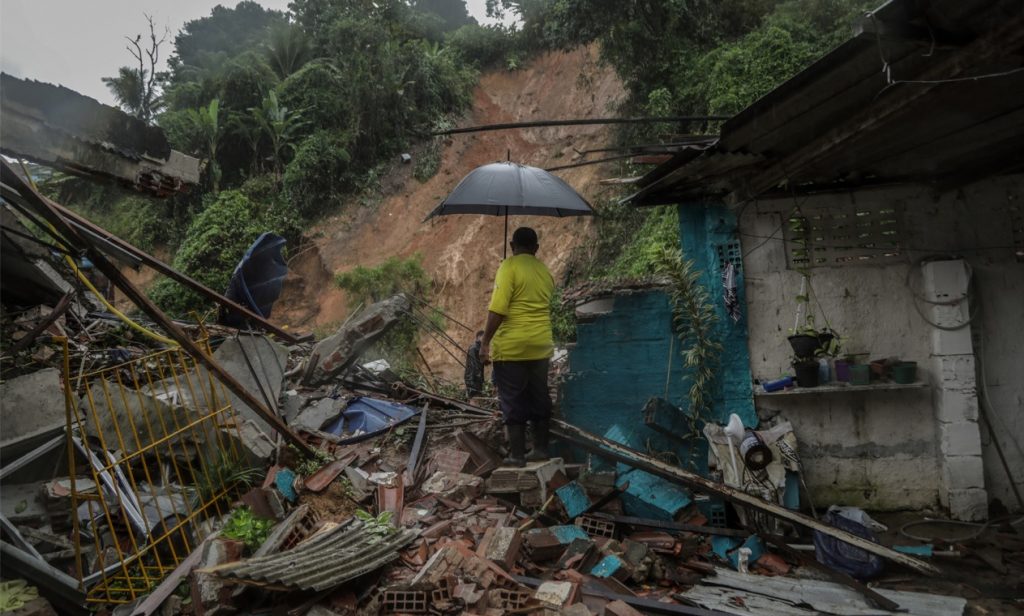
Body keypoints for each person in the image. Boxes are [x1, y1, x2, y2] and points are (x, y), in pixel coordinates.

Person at [479, 227, 554, 467]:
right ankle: (541, 448)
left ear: (512, 246)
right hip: (541, 345)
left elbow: (498, 308)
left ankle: (517, 455)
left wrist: (485, 342)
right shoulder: (544, 270)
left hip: (512, 347)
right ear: (536, 248)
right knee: (539, 395)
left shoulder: (508, 267)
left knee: (512, 398)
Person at [464, 330, 485, 398]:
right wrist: (476, 379)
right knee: (474, 398)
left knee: (477, 398)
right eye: (484, 337)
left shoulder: (479, 348)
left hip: (476, 378)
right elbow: (473, 365)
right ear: (479, 337)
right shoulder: (474, 348)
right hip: (473, 378)